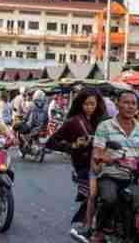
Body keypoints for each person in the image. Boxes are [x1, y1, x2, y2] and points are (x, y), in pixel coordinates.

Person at [91, 91, 139, 243]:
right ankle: (99, 231)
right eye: (126, 102)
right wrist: (103, 157)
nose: (130, 106)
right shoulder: (105, 126)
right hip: (110, 174)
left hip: (134, 176)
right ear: (117, 104)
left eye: (133, 103)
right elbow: (97, 151)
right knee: (109, 199)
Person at [45, 88, 108, 241]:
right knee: (94, 195)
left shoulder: (103, 121)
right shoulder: (74, 122)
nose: (89, 107)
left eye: (93, 104)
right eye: (86, 104)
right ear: (80, 104)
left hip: (104, 163)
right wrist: (73, 146)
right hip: (84, 166)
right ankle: (85, 227)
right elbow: (51, 142)